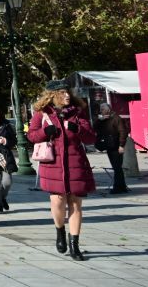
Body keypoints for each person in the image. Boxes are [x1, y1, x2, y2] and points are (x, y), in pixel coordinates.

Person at [28, 82, 96, 261]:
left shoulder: (77, 112)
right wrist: (45, 131)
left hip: (75, 162)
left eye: (68, 92)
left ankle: (75, 245)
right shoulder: (42, 113)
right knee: (57, 202)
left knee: (75, 204)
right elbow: (32, 136)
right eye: (63, 93)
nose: (67, 95)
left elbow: (90, 138)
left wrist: (77, 129)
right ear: (53, 95)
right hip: (53, 164)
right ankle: (60, 231)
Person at [96, 103, 129, 194]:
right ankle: (122, 186)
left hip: (116, 146)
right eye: (101, 109)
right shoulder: (104, 120)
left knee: (117, 167)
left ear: (108, 109)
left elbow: (123, 132)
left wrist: (121, 145)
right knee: (117, 167)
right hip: (109, 146)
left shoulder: (116, 118)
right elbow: (95, 128)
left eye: (102, 109)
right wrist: (99, 120)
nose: (101, 111)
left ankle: (118, 187)